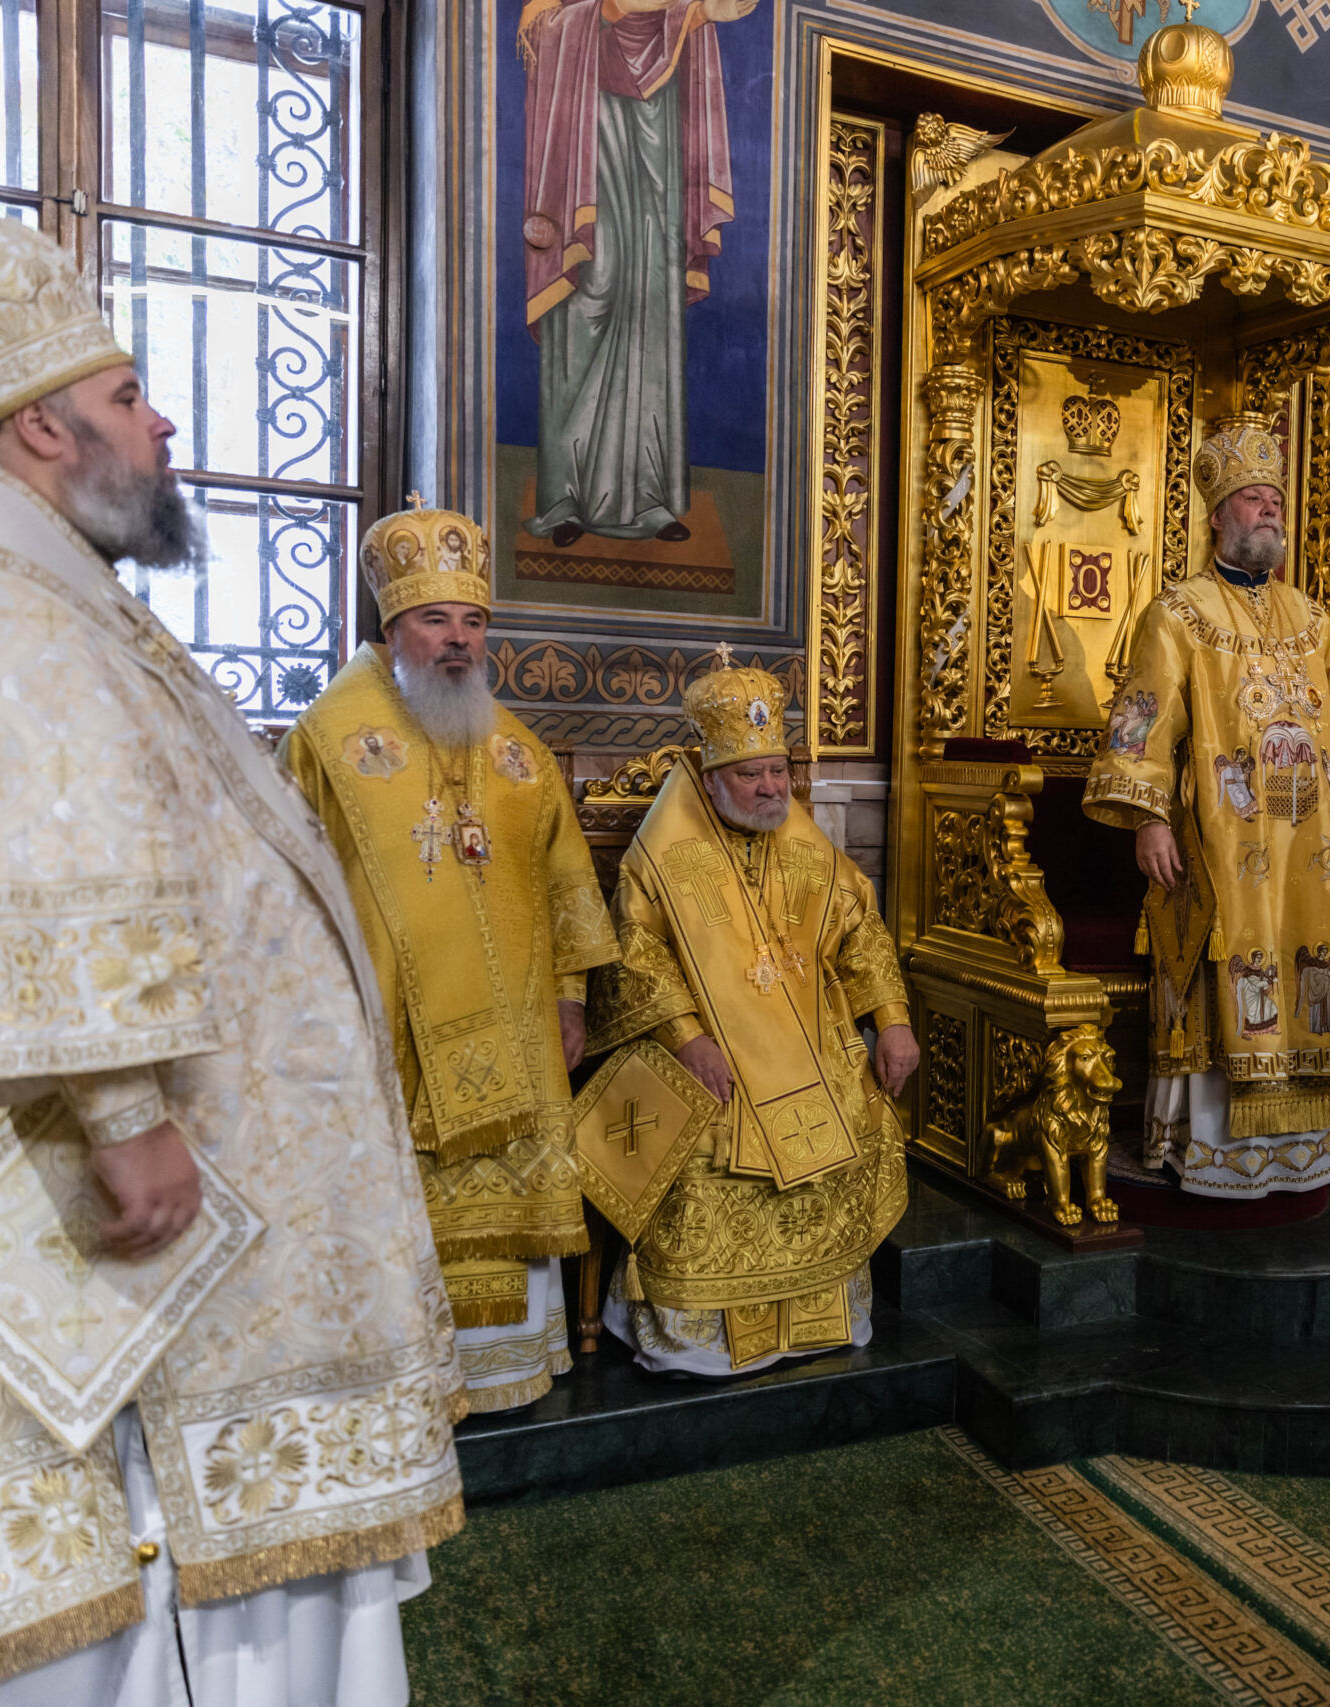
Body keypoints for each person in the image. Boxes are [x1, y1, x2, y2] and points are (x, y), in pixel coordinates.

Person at [0, 216, 461, 1703]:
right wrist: (128, 1117)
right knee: (137, 1589)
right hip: (129, 1238)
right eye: (128, 396)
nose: (161, 423)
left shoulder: (20, 597)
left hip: (164, 1223)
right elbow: (4, 874)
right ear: (41, 428)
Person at [282, 501, 617, 1413]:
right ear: (392, 628)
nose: (459, 639)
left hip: (520, 1033)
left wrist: (571, 996)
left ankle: (504, 1368)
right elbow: (283, 890)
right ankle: (402, 1380)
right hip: (385, 1033)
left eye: (473, 620)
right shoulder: (328, 743)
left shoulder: (520, 755)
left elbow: (566, 884)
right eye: (435, 619)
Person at [1085, 416, 1330, 1197]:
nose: (1269, 510)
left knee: (1316, 965)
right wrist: (1150, 819)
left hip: (1310, 845)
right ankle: (1210, 1146)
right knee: (1234, 959)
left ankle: (1305, 1150)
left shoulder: (1312, 620)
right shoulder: (1178, 614)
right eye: (1253, 499)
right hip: (1218, 839)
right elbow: (1144, 717)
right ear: (1219, 515)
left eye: (1274, 500)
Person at [586, 653, 917, 1371]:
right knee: (702, 1134)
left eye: (778, 769)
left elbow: (860, 929)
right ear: (710, 777)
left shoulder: (804, 843)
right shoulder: (661, 856)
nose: (771, 787)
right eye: (751, 774)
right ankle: (698, 1338)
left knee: (851, 1106)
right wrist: (686, 1038)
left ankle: (819, 1317)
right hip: (710, 1047)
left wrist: (892, 1018)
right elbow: (634, 955)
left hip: (808, 1038)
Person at [516, 0, 756, 543]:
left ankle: (648, 496)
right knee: (591, 290)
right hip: (588, 137)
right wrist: (613, 11)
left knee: (651, 299)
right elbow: (546, 27)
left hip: (657, 141)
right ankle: (567, 495)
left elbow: (692, 37)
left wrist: (693, 15)